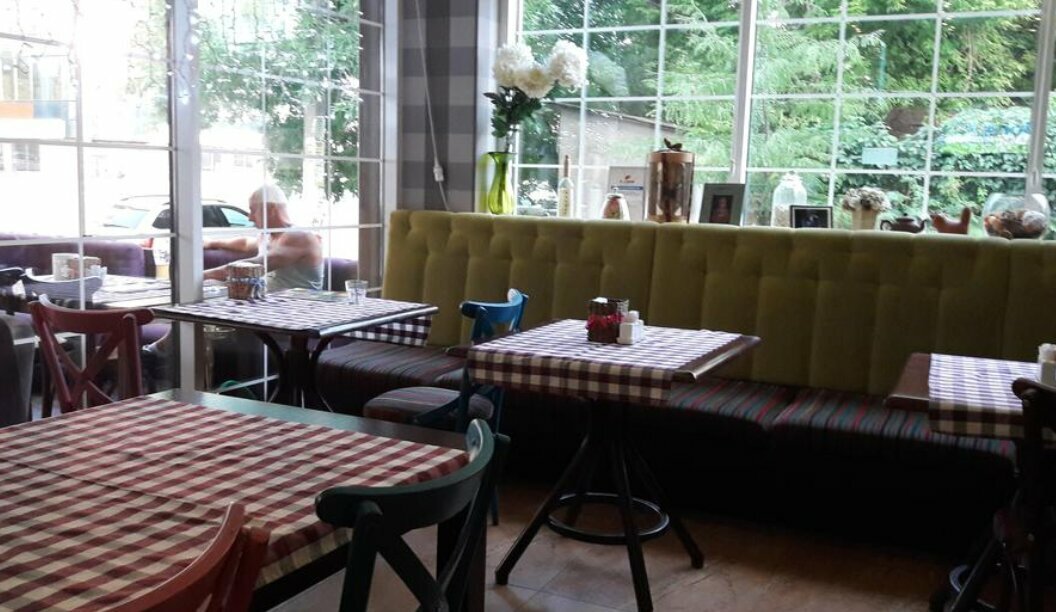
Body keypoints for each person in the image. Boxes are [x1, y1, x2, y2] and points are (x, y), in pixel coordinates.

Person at [204, 185, 324, 291]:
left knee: (208, 285)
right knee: (210, 287)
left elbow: (254, 266)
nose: (250, 218)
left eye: (253, 210)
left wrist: (201, 275)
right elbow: (246, 243)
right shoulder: (268, 235)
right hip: (268, 300)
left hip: (298, 303)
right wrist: (211, 243)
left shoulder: (300, 237)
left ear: (271, 209)